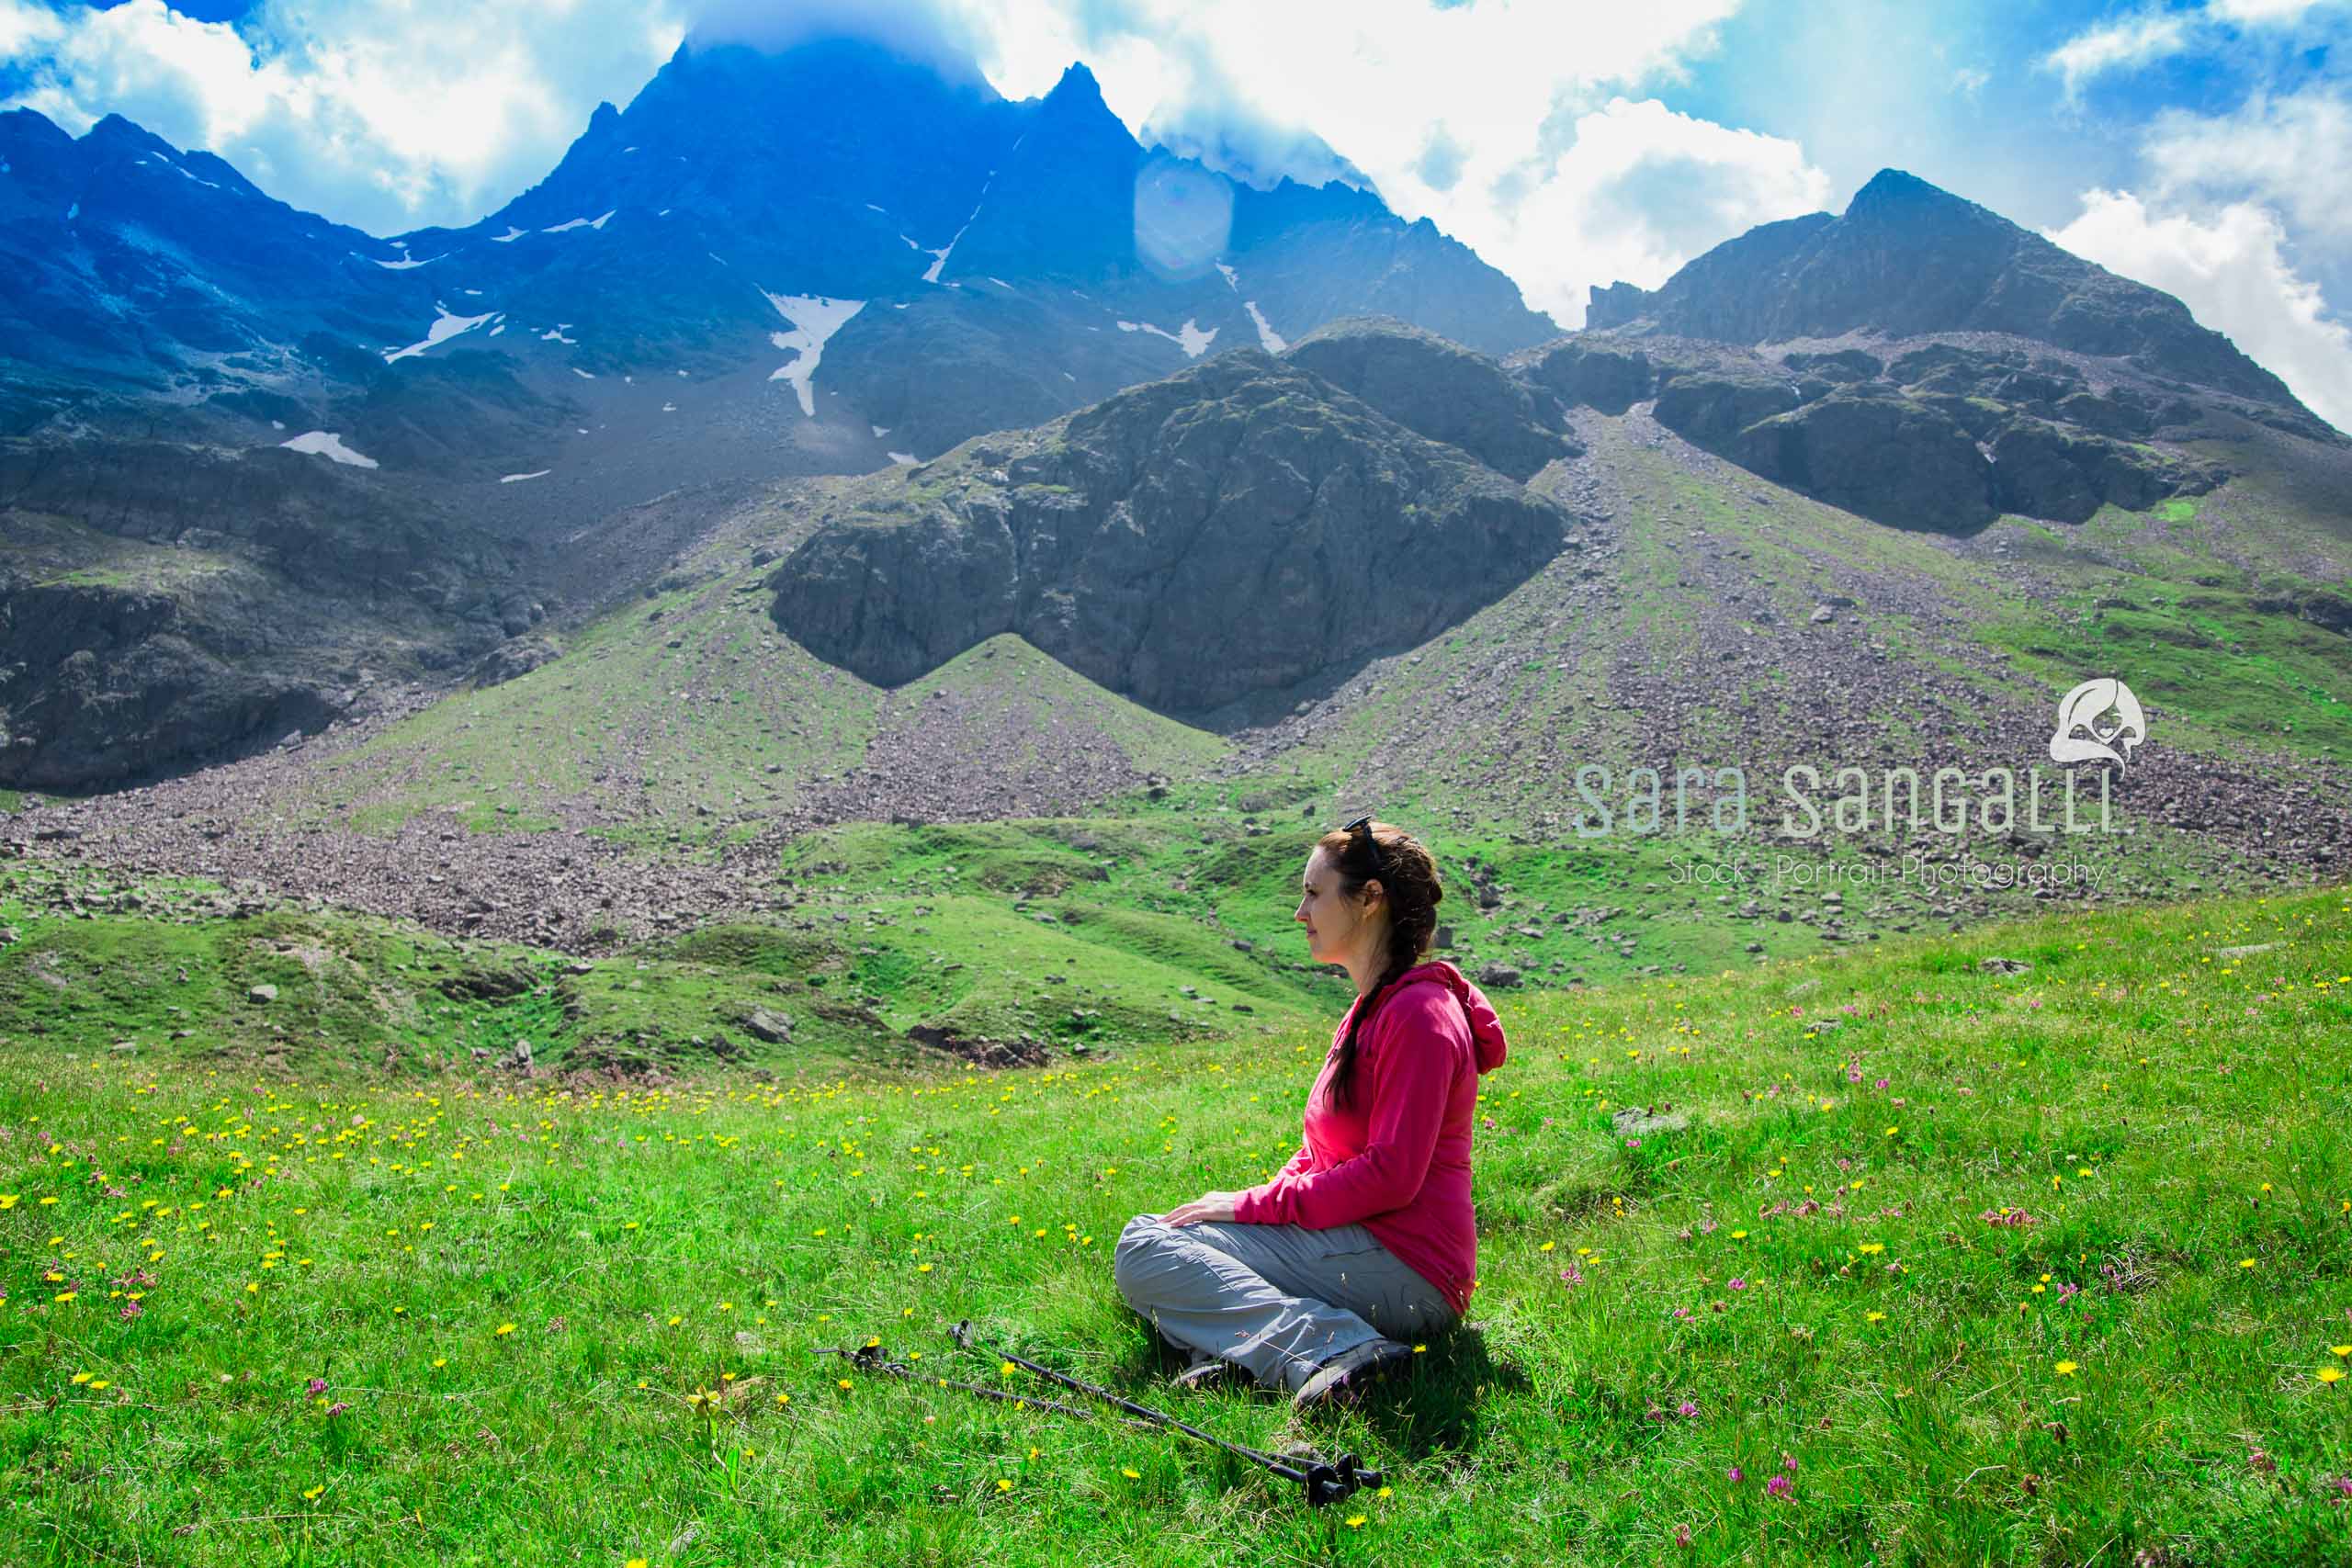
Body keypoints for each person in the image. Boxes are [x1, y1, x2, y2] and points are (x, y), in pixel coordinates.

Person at [1113, 815, 1510, 1409]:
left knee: (1146, 1251)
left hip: (1411, 1268)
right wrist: (1257, 1206)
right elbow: (1321, 1152)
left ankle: (1336, 1349)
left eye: (1314, 893)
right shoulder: (1372, 1008)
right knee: (1162, 1236)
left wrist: (1252, 1208)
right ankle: (1248, 1356)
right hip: (1359, 1243)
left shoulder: (1419, 1016)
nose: (1301, 912)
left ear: (1370, 899)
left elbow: (1392, 1174)